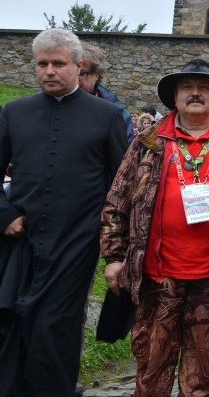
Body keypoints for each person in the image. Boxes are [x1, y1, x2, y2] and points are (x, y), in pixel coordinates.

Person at [100, 58, 209, 396]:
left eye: (204, 88)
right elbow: (117, 201)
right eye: (187, 87)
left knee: (201, 377)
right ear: (175, 97)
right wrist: (114, 257)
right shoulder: (147, 143)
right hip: (157, 279)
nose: (195, 93)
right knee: (151, 372)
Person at [0, 28, 128, 397]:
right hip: (19, 240)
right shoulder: (15, 112)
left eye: (58, 63)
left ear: (78, 66)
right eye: (42, 64)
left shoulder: (105, 116)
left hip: (76, 241)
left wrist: (114, 245)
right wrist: (3, 214)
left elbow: (120, 184)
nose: (49, 71)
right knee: (12, 322)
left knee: (56, 326)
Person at [79, 41, 135, 143]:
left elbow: (126, 153)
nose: (75, 79)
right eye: (71, 73)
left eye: (82, 74)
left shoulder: (117, 112)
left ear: (97, 74)